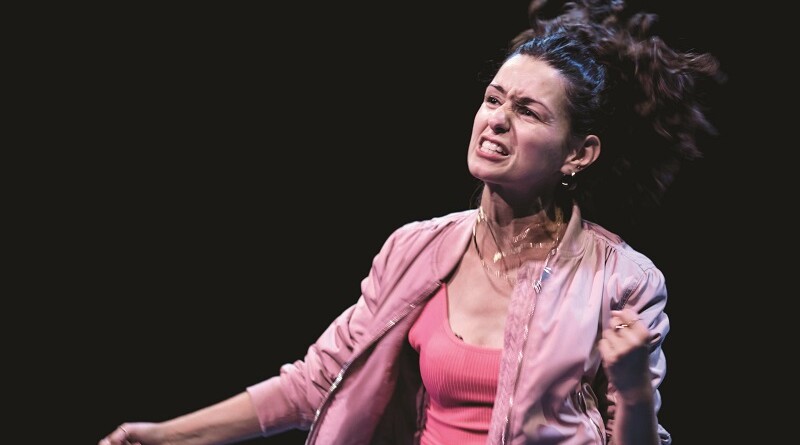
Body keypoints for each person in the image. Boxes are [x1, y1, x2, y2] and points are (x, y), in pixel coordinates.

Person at [99, 1, 721, 444]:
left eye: (528, 111)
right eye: (493, 99)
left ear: (578, 154)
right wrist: (165, 435)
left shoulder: (622, 280)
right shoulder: (415, 250)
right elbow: (317, 381)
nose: (496, 120)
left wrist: (634, 391)